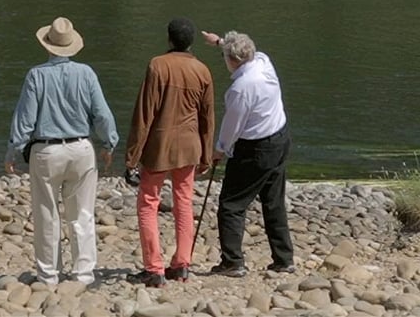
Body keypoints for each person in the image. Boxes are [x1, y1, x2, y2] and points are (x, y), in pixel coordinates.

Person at [6, 16, 119, 285]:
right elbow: (102, 114)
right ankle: (83, 274)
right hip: (81, 148)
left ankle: (48, 275)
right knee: (82, 214)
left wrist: (13, 150)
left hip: (46, 151)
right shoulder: (86, 73)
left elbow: (25, 119)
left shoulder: (36, 75)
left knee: (46, 213)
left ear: (47, 45)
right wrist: (109, 143)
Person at [123, 17, 216, 286]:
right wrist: (206, 155)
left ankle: (154, 268)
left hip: (159, 147)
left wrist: (132, 157)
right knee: (184, 202)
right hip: (189, 146)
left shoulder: (158, 65)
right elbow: (208, 117)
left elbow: (145, 114)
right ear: (191, 42)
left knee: (148, 203)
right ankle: (182, 264)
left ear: (169, 39)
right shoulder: (202, 70)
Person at [200, 29, 295, 277]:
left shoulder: (241, 88)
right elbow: (242, 51)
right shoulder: (263, 61)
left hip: (255, 149)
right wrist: (219, 42)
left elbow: (233, 126)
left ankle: (232, 262)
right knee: (273, 201)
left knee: (231, 204)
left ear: (231, 60)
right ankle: (284, 259)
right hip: (280, 138)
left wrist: (219, 150)